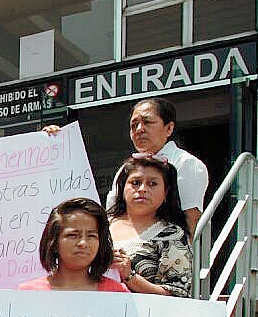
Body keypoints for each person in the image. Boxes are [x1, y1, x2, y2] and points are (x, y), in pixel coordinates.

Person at [46, 97, 208, 237]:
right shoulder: (125, 171)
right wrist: (54, 143)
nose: (139, 129)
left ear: (169, 128)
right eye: (134, 125)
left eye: (147, 122)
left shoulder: (186, 164)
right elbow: (111, 215)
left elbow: (190, 222)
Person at [108, 152, 193, 297]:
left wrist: (130, 277)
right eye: (135, 183)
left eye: (152, 184)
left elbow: (177, 295)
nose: (142, 189)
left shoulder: (172, 235)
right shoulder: (98, 225)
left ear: (166, 192)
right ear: (122, 188)